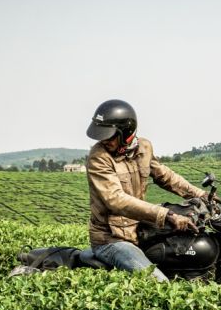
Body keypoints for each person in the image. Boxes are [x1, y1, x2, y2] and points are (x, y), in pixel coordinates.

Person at [85, 99, 205, 282]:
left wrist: (199, 194)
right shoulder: (98, 158)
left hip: (139, 231)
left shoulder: (144, 148)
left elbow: (165, 176)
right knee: (160, 284)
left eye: (109, 136)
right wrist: (166, 215)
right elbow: (115, 199)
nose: (104, 141)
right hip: (111, 239)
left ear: (125, 132)